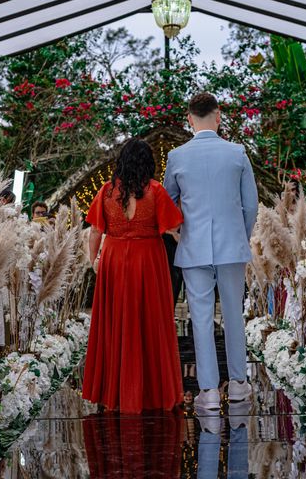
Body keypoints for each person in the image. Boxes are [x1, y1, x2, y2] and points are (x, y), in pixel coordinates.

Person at [163, 92, 258, 409]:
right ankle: (239, 384)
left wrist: (180, 233)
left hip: (193, 248)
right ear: (218, 116)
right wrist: (239, 237)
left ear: (189, 119)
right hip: (232, 246)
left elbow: (167, 205)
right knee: (233, 316)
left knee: (200, 319)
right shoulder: (237, 153)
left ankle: (208, 391)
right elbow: (250, 205)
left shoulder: (177, 156)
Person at [82, 138, 184, 413]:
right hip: (148, 260)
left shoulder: (106, 191)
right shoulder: (156, 191)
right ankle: (149, 393)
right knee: (150, 325)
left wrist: (94, 261)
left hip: (114, 260)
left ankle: (115, 394)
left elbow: (94, 231)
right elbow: (175, 228)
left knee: (115, 325)